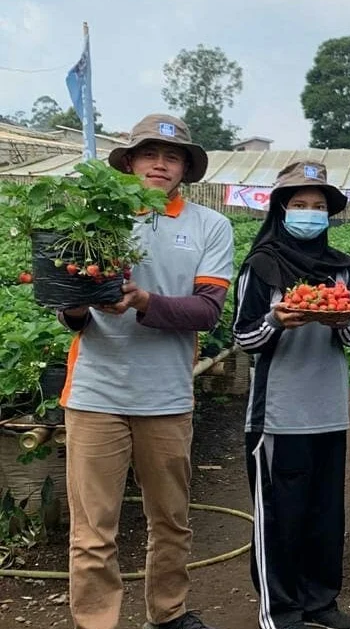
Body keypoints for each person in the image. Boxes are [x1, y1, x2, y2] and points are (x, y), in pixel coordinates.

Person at [58, 114, 233, 629]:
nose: (160, 164)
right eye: (150, 154)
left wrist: (145, 302)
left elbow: (208, 310)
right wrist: (74, 301)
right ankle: (96, 622)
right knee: (93, 530)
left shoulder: (209, 226)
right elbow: (71, 312)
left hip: (167, 397)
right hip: (95, 393)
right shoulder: (94, 221)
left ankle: (168, 613)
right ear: (130, 161)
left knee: (172, 521)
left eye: (172, 156)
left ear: (185, 169)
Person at [232, 161, 350, 629]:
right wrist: (275, 322)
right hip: (278, 414)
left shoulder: (342, 269)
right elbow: (242, 337)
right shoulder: (262, 266)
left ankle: (321, 602)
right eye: (301, 205)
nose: (310, 213)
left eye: (319, 206)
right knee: (280, 517)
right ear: (282, 210)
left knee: (326, 514)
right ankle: (280, 610)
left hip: (328, 408)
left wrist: (344, 323)